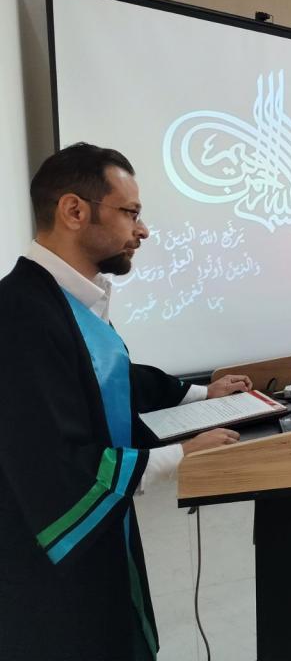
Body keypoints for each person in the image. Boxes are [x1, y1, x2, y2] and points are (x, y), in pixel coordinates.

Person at [0, 143, 253, 661]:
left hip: (96, 552)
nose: (143, 230)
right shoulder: (19, 315)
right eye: (131, 213)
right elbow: (53, 464)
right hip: (48, 575)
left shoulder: (64, 297)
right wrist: (180, 453)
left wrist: (199, 393)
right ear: (74, 211)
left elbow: (107, 381)